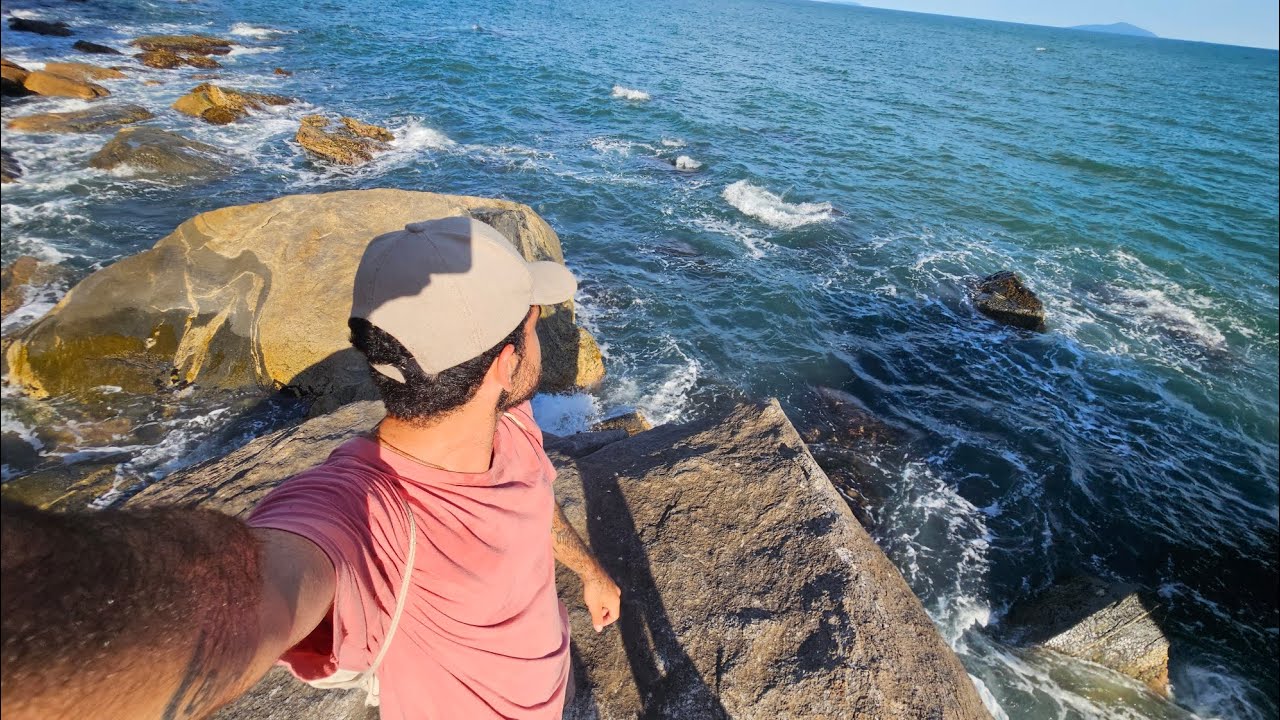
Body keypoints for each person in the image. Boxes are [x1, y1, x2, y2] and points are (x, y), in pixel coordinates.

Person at [0, 216, 622, 720]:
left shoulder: (508, 422)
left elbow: (533, 496)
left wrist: (591, 571)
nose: (544, 339)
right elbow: (240, 591)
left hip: (551, 682)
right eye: (534, 326)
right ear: (501, 366)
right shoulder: (366, 515)